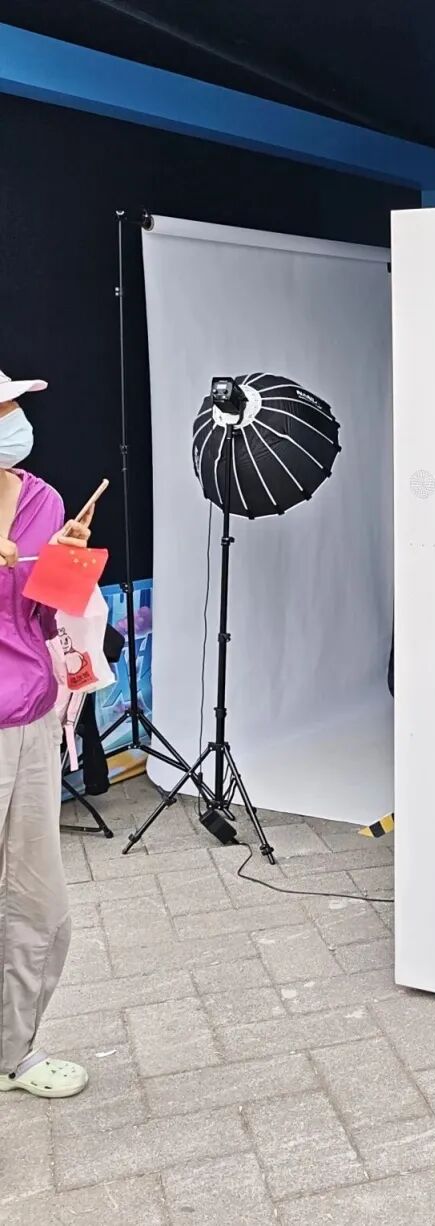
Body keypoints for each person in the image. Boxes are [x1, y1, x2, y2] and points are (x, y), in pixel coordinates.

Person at [0, 369, 94, 1098]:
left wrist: (68, 560)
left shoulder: (43, 499)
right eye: (3, 409)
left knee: (38, 903)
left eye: (13, 406)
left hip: (29, 717)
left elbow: (44, 615)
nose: (14, 421)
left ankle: (13, 1052)